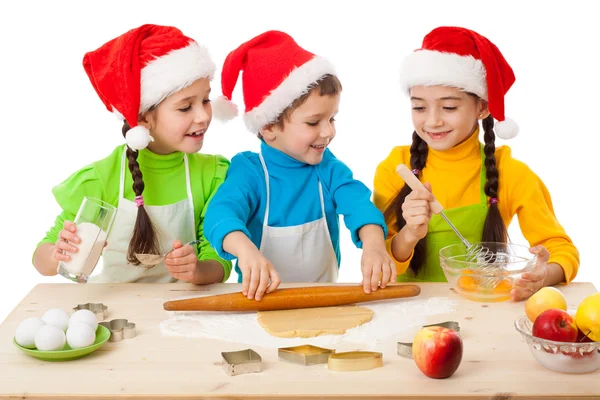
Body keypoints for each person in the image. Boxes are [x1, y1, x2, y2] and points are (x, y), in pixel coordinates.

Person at [373, 26, 579, 301]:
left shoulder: (510, 172)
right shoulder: (394, 167)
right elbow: (378, 259)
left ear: (482, 107)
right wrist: (410, 233)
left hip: (483, 307)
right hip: (408, 308)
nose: (432, 120)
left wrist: (544, 274)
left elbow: (560, 247)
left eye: (449, 107)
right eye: (420, 107)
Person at [33, 24, 232, 284]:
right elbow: (41, 259)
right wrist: (59, 253)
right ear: (142, 118)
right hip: (114, 310)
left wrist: (197, 271)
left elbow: (220, 260)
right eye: (185, 107)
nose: (204, 116)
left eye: (205, 100)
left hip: (182, 312)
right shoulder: (103, 177)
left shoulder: (212, 174)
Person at [205, 30, 395, 301]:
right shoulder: (249, 172)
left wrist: (375, 245)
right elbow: (221, 215)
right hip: (259, 302)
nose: (328, 132)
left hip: (321, 303)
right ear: (269, 127)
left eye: (332, 119)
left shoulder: (328, 170)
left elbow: (358, 204)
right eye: (314, 122)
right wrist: (246, 251)